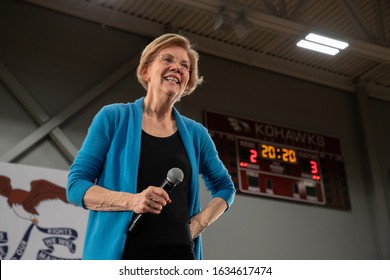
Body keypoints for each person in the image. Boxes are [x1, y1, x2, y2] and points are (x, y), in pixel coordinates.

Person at [67, 33, 235, 260]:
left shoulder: (196, 134)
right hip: (124, 255)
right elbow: (76, 187)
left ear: (188, 81)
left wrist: (198, 223)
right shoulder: (113, 118)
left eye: (185, 66)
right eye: (167, 60)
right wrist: (133, 201)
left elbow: (225, 188)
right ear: (146, 71)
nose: (177, 68)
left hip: (179, 256)